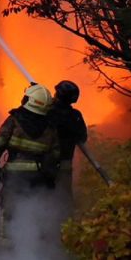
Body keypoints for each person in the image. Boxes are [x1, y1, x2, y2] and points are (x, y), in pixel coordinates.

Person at [0, 83, 62, 241]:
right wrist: (50, 176)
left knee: (10, 210)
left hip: (15, 174)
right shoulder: (50, 127)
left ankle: (8, 246)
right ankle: (34, 244)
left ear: (29, 100)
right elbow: (55, 155)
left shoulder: (14, 120)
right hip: (39, 176)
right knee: (35, 209)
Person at [48, 79, 88, 219]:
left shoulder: (47, 112)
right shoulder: (75, 116)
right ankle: (67, 225)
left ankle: (43, 222)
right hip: (65, 163)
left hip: (46, 162)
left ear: (58, 94)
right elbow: (82, 137)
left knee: (43, 192)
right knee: (64, 196)